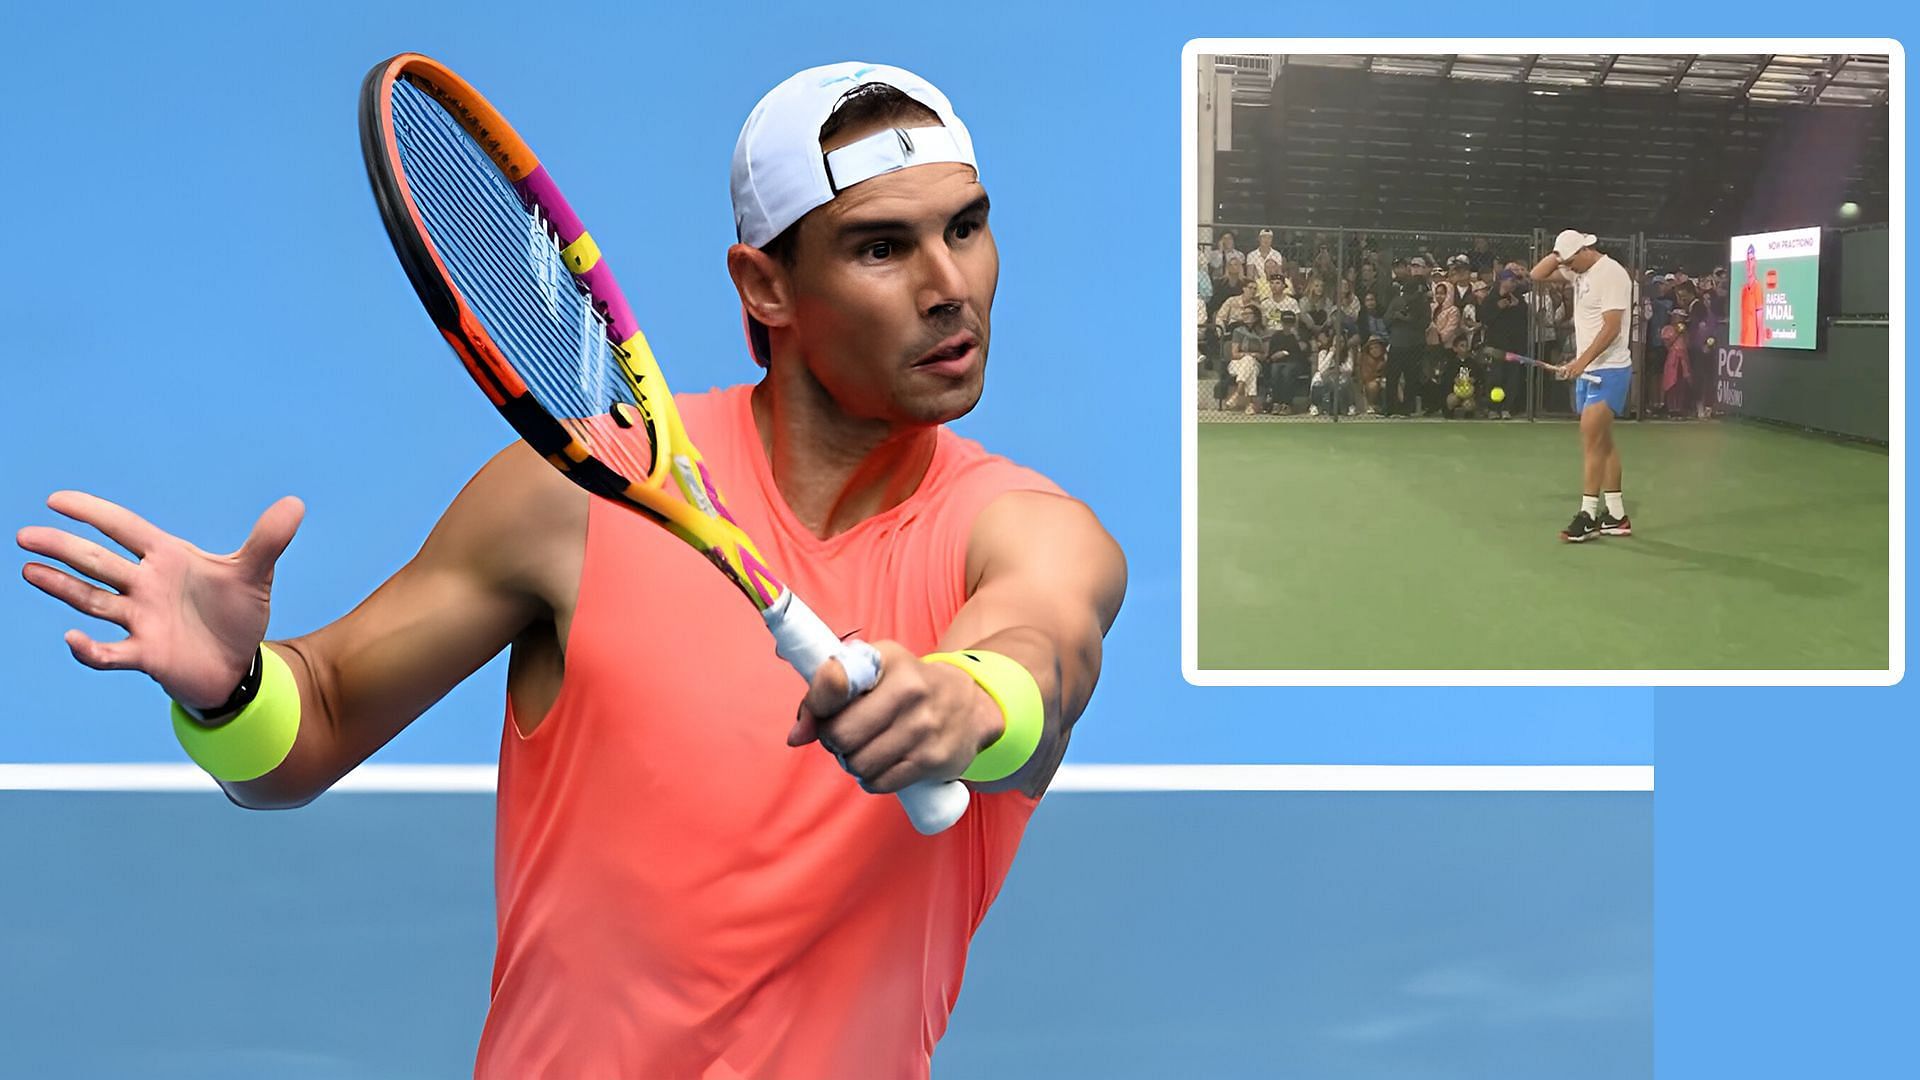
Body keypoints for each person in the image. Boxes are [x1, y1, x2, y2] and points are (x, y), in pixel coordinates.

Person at [17, 62, 1127, 1079]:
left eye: (967, 230)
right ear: (766, 286)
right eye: (883, 247)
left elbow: (1044, 648)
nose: (951, 285)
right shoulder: (576, 497)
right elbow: (310, 733)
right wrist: (234, 689)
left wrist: (968, 702)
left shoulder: (1027, 527)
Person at [1532, 228, 1634, 542]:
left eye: (1571, 261)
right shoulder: (1579, 271)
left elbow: (1613, 328)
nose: (1568, 268)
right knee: (1603, 442)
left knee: (1591, 440)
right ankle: (1616, 515)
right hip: (1591, 369)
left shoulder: (1612, 274)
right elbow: (1537, 274)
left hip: (1610, 370)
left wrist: (1581, 362)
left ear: (1585, 252)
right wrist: (1560, 252)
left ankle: (1588, 515)